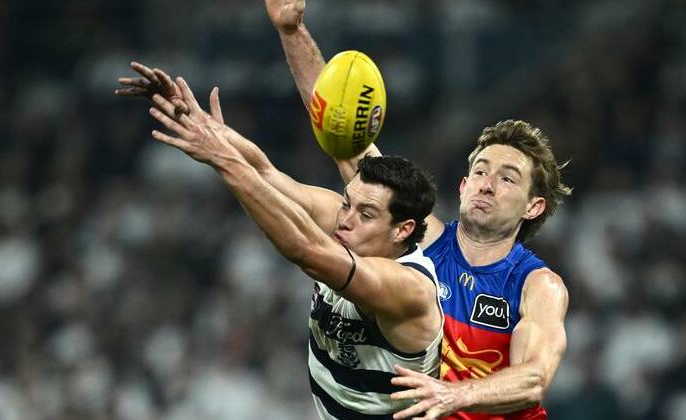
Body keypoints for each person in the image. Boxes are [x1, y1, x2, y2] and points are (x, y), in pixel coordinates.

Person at [263, 1, 571, 419]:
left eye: (507, 177)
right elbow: (343, 129)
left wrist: (455, 395)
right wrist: (291, 30)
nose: (487, 183)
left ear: (534, 206)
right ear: (462, 186)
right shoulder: (417, 242)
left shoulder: (536, 285)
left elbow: (534, 378)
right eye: (480, 170)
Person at [118, 70, 445, 419]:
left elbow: (306, 250)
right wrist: (202, 124)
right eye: (347, 203)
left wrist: (222, 159)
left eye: (366, 213)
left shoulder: (408, 289)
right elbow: (266, 173)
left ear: (402, 230)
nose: (346, 218)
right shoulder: (347, 225)